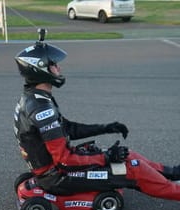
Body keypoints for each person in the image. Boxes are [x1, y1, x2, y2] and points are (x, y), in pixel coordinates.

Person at [13, 29, 180, 201]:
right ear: (40, 69)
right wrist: (107, 157)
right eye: (54, 64)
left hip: (53, 170)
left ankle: (173, 173)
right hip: (58, 178)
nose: (58, 68)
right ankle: (174, 189)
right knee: (133, 168)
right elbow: (65, 160)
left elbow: (67, 129)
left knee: (128, 155)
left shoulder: (33, 98)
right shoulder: (42, 109)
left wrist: (106, 128)